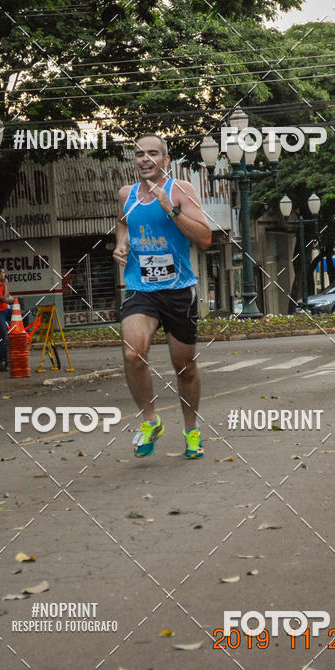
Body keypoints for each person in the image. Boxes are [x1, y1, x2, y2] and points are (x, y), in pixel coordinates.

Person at [113, 134, 212, 459]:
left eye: (152, 154)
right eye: (140, 154)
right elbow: (124, 223)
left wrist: (171, 211)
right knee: (133, 355)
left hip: (178, 291)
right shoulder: (126, 195)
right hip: (141, 290)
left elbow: (205, 238)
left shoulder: (180, 191)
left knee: (185, 368)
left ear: (166, 160)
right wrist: (121, 243)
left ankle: (191, 430)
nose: (145, 159)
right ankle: (150, 421)